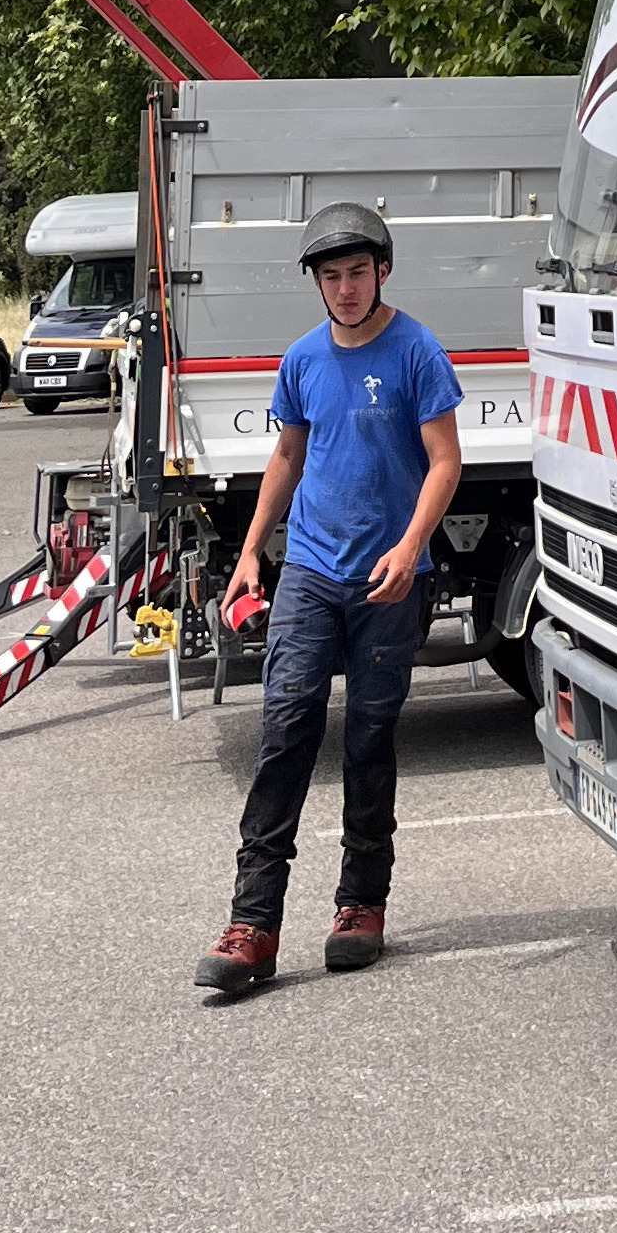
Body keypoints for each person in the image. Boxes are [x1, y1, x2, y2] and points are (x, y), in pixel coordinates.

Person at [195, 204, 462, 993]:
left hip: (387, 578)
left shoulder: (416, 350)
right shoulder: (305, 358)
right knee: (284, 733)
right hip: (311, 569)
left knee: (370, 740)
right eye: (330, 275)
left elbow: (445, 461)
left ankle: (360, 905)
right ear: (315, 282)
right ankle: (253, 925)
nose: (345, 289)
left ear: (383, 270)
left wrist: (411, 548)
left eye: (357, 272)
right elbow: (287, 453)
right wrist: (250, 551)